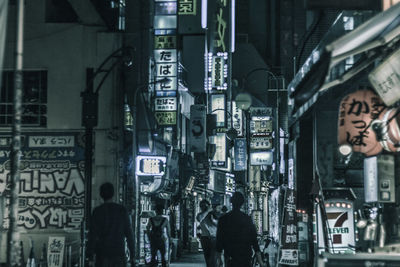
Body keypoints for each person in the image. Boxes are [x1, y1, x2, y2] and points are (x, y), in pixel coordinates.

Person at [87, 182, 135, 267]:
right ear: (113, 194)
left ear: (101, 194)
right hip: (119, 253)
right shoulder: (122, 210)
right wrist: (132, 256)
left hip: (102, 254)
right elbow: (129, 234)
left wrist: (90, 257)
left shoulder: (97, 211)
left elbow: (92, 235)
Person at [216, 192, 266, 267]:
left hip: (230, 257)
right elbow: (254, 241)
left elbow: (219, 240)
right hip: (245, 257)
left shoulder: (223, 219)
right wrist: (260, 261)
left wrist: (219, 259)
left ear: (231, 202)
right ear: (242, 203)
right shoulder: (247, 219)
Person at [196, 199, 218, 267]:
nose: (204, 208)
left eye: (205, 206)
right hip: (205, 238)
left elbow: (219, 224)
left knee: (213, 258)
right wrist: (207, 211)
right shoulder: (200, 215)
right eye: (202, 206)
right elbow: (200, 219)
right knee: (207, 257)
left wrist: (213, 221)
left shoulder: (214, 214)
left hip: (214, 238)